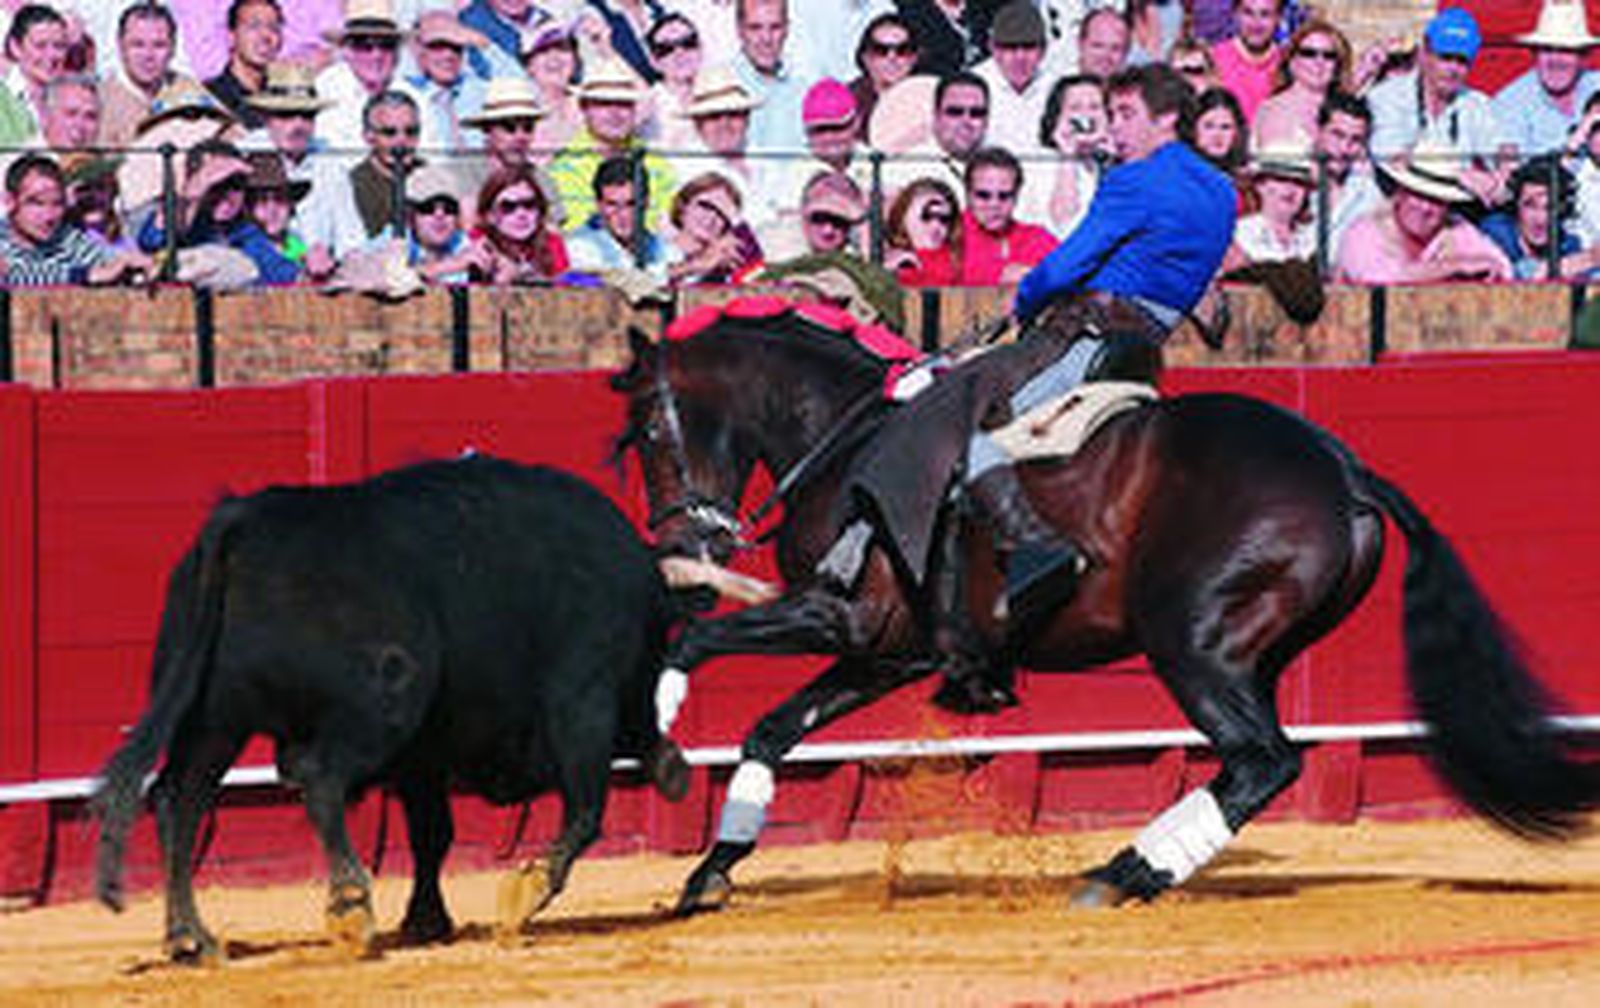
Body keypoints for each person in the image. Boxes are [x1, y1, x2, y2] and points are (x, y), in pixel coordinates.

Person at [827, 63, 1237, 711]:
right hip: (1144, 349)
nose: (1115, 127)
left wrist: (1026, 295)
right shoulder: (1221, 190)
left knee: (966, 419)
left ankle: (1035, 555)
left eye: (1128, 115)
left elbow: (1072, 261)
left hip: (1087, 334)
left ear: (1166, 119)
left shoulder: (1133, 181)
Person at [1366, 7, 1507, 204]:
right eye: (1445, 58)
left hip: (1454, 209)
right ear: (1424, 53)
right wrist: (1459, 173)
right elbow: (1392, 158)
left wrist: (1501, 175)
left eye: (1462, 61)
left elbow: (1502, 148)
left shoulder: (1476, 104)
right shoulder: (1387, 96)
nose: (1453, 70)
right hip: (1394, 203)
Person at [1333, 142, 1512, 284]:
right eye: (1418, 195)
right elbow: (1375, 277)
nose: (1425, 208)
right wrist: (1454, 266)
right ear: (1400, 192)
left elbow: (1503, 268)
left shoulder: (1455, 228)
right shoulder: (1365, 229)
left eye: (1436, 200)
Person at [136, 138, 301, 285]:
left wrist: (315, 272)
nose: (227, 196)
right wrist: (196, 189)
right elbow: (152, 241)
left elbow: (280, 272)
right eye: (216, 186)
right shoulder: (186, 221)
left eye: (236, 185)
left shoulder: (244, 232)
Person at [548, 58, 674, 232]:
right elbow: (580, 231)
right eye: (603, 103)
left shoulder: (654, 160)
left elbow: (668, 220)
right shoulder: (563, 168)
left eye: (623, 104)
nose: (614, 113)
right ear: (584, 108)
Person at [0, 153, 151, 286]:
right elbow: (13, 275)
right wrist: (87, 275)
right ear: (9, 201)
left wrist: (133, 262)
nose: (48, 216)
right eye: (36, 203)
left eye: (57, 204)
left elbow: (102, 258)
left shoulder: (65, 236)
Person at [1491, 0, 1600, 156]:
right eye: (1547, 49)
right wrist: (1576, 139)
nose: (1556, 60)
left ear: (1583, 58)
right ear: (1534, 54)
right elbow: (1515, 174)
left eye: (1566, 50)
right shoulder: (1509, 105)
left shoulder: (1596, 84)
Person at [1478, 153, 1600, 280]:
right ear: (1516, 205)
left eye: (1550, 208)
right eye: (1530, 206)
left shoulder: (1567, 243)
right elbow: (1518, 277)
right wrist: (1589, 258)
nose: (1540, 219)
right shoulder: (1494, 233)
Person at [1020, 73, 1109, 238]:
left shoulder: (1117, 160)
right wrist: (1067, 154)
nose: (1086, 115)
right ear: (1057, 116)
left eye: (1095, 107)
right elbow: (1064, 224)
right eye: (1075, 107)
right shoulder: (1039, 164)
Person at [313, 0, 406, 155]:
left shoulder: (413, 96)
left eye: (386, 45)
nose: (377, 55)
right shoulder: (323, 91)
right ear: (347, 51)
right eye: (365, 46)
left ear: (397, 53)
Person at [100, 2, 196, 149]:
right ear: (120, 46)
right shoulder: (98, 101)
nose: (148, 56)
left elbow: (234, 138)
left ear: (173, 48)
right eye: (137, 45)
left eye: (159, 45)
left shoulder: (189, 93)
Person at [959, 146, 1056, 284]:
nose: (994, 204)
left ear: (1016, 196)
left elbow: (1073, 271)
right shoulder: (945, 235)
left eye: (1004, 196)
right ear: (968, 194)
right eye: (983, 195)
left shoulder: (1036, 238)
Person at [565, 153, 671, 275]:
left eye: (631, 204)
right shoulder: (579, 248)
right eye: (612, 204)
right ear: (599, 205)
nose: (623, 215)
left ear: (646, 203)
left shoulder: (664, 250)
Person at [399, 12, 490, 154]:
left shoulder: (482, 92)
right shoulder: (403, 95)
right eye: (438, 46)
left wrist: (481, 42)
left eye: (456, 47)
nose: (449, 55)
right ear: (417, 50)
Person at [1251, 19, 1349, 151]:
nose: (1319, 62)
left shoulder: (1342, 109)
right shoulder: (1277, 110)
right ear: (1292, 61)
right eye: (1309, 53)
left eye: (1329, 55)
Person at [468, 163, 570, 283]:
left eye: (529, 204)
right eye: (508, 207)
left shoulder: (551, 243)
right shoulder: (475, 241)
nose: (521, 214)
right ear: (489, 215)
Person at [1312, 89, 1380, 268]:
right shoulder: (1289, 179)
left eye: (1355, 140)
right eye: (1337, 135)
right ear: (1318, 131)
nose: (1344, 148)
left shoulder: (1369, 193)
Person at [975, 1, 1051, 159]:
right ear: (993, 48)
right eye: (1010, 47)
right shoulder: (973, 85)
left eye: (1029, 47)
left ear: (1043, 49)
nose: (1020, 57)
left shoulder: (1056, 86)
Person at [1222, 142, 1315, 269]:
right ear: (1260, 185)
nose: (1290, 189)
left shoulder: (1313, 238)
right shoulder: (1238, 234)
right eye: (1281, 180)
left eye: (1298, 183)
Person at [731, 0, 807, 153]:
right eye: (755, 28)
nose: (766, 38)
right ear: (739, 30)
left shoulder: (803, 89)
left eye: (775, 27)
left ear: (787, 29)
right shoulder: (723, 86)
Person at [666, 171, 764, 283]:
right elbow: (647, 279)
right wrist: (691, 267)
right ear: (683, 206)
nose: (711, 218)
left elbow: (761, 280)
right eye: (706, 206)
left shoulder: (722, 268)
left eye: (722, 214)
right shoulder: (653, 247)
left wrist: (736, 219)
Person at [350, 90, 422, 239]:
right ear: (368, 136)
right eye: (390, 132)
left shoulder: (433, 176)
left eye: (411, 132)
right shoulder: (352, 185)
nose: (402, 141)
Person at [205, 0, 285, 131]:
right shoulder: (210, 99)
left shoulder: (285, 99)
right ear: (231, 36)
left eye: (274, 27)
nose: (266, 36)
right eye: (254, 26)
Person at [0, 5, 69, 145]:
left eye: (59, 46)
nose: (51, 55)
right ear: (15, 47)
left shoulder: (67, 97)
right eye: (40, 46)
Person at [1209, 0, 1282, 124]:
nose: (1256, 23)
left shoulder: (1288, 61)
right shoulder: (1215, 58)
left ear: (1278, 19)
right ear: (1236, 15)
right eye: (1248, 13)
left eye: (1265, 14)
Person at [241, 150, 309, 278]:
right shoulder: (246, 247)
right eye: (262, 201)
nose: (272, 210)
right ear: (248, 208)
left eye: (279, 200)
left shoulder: (294, 243)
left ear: (291, 206)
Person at [883, 176, 962, 284]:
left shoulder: (959, 261)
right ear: (904, 216)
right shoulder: (881, 255)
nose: (936, 226)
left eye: (944, 220)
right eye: (927, 216)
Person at [642, 13, 701, 152]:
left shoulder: (720, 92)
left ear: (701, 48)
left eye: (687, 43)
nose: (679, 53)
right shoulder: (647, 107)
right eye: (666, 49)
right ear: (653, 61)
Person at [523, 24, 582, 158]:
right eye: (543, 50)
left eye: (563, 49)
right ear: (529, 66)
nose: (554, 57)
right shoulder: (520, 108)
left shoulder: (590, 101)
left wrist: (606, 50)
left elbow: (639, 114)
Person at [849, 12, 917, 126]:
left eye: (902, 50)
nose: (892, 57)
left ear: (913, 58)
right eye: (881, 50)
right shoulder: (849, 100)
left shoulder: (929, 99)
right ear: (866, 58)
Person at [1189, 86, 1249, 182]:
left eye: (1225, 127)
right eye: (1209, 126)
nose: (1217, 135)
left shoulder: (1246, 180)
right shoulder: (1180, 173)